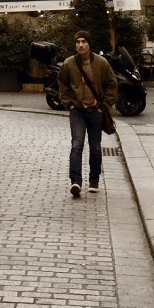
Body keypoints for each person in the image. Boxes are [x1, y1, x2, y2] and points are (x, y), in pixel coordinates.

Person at [57, 30, 117, 198]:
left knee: (95, 147)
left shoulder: (101, 63)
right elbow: (62, 83)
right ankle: (75, 181)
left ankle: (94, 180)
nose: (81, 45)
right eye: (78, 42)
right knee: (77, 144)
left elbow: (112, 84)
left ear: (89, 44)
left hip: (95, 111)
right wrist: (69, 104)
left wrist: (103, 106)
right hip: (77, 111)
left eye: (84, 41)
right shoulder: (69, 64)